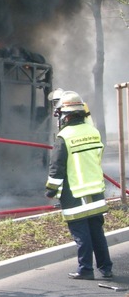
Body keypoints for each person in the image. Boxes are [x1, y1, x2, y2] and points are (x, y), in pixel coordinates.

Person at [44, 90, 113, 280]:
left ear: (64, 116)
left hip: (74, 194)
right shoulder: (93, 132)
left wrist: (51, 190)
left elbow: (56, 169)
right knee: (97, 231)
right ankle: (106, 268)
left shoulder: (64, 137)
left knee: (81, 233)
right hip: (96, 191)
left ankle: (85, 270)